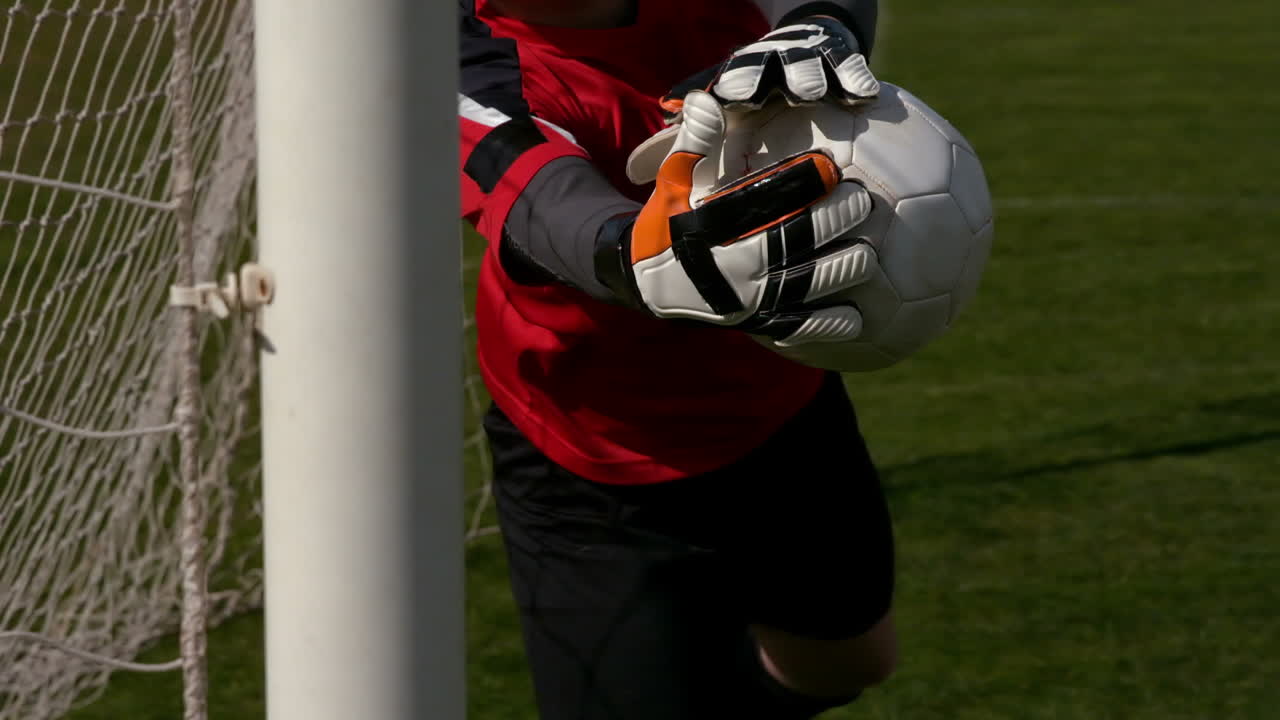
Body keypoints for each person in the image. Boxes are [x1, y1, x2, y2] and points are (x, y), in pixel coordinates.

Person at [458, 1, 895, 717]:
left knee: (849, 660)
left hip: (780, 402)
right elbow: (548, 202)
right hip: (595, 458)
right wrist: (638, 255)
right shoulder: (463, 55)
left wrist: (826, 19)